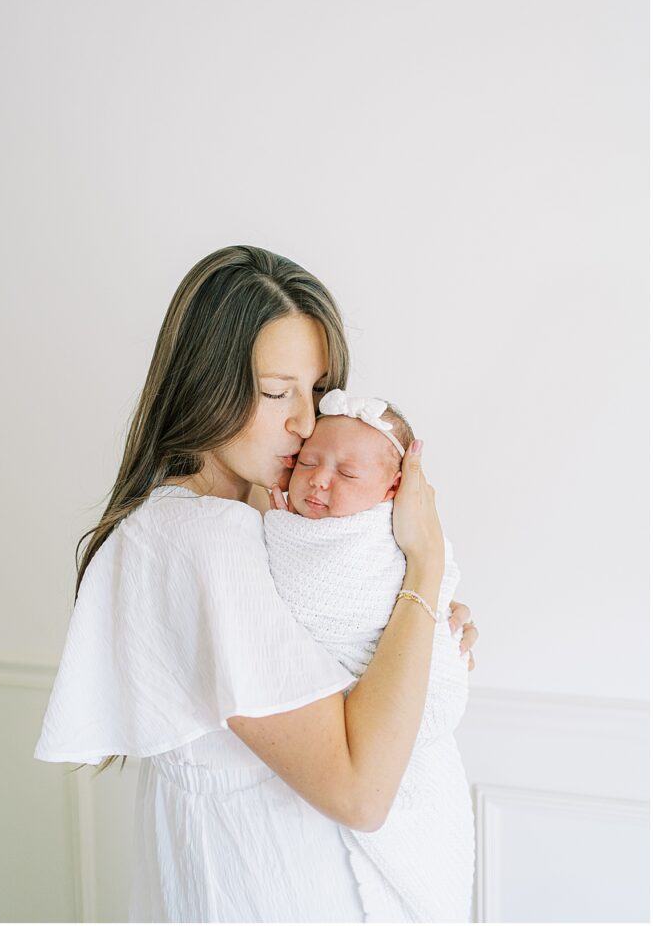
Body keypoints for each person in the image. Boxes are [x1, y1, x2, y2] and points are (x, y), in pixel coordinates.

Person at [34, 245, 480, 923]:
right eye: (276, 392)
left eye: (317, 391)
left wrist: (417, 626)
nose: (304, 422)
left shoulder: (278, 525)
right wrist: (423, 568)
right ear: (204, 385)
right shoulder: (197, 538)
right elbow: (361, 794)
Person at [263, 387, 475, 921]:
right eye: (308, 462)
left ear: (395, 490)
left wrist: (436, 604)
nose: (319, 479)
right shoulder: (271, 525)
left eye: (348, 473)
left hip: (401, 709)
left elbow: (416, 591)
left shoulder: (387, 540)